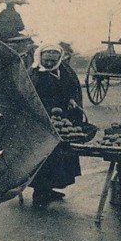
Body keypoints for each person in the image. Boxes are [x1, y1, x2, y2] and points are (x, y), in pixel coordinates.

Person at [28, 45, 83, 206]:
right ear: (40, 56)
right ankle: (39, 192)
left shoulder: (64, 71)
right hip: (42, 121)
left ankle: (49, 189)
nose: (50, 62)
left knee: (60, 157)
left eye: (54, 58)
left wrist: (72, 100)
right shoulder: (34, 74)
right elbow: (30, 97)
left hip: (61, 120)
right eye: (47, 58)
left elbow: (72, 89)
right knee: (45, 157)